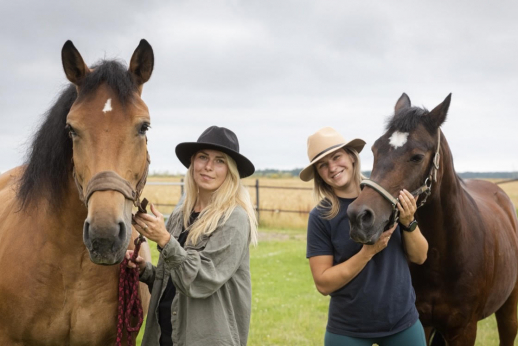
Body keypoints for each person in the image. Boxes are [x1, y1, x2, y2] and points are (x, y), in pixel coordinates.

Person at [127, 126, 258, 346]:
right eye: (203, 157)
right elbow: (173, 278)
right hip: (165, 336)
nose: (208, 167)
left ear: (231, 170)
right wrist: (146, 272)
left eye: (219, 161)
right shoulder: (181, 215)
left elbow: (202, 279)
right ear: (192, 163)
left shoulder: (234, 218)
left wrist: (165, 240)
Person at [300, 127, 429, 346]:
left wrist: (409, 222)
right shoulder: (321, 217)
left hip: (401, 323)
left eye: (336, 157)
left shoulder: (387, 196)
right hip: (348, 329)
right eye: (323, 164)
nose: (332, 168)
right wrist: (367, 252)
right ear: (318, 173)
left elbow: (420, 257)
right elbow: (323, 283)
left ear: (351, 156)